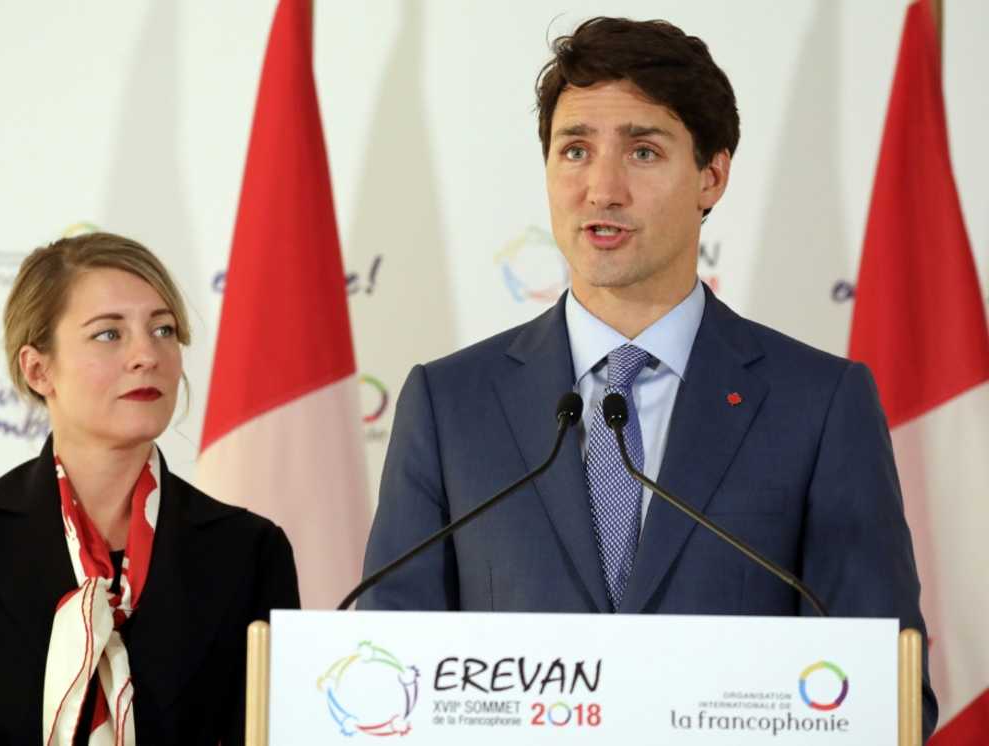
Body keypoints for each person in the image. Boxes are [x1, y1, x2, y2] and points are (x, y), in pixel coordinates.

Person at [359, 16, 937, 739]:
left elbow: (884, 690)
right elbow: (387, 673)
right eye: (575, 150)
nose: (602, 190)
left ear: (711, 176)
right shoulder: (450, 406)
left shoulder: (819, 405)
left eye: (642, 151)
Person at [0, 232, 299, 745]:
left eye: (163, 329)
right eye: (109, 334)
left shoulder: (249, 550)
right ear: (38, 369)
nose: (147, 355)